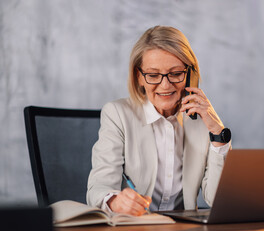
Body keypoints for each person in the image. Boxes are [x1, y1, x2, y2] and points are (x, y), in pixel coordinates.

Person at [87, 25, 231, 216]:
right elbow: (98, 189)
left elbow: (218, 199)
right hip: (134, 229)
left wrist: (217, 133)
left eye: (176, 73)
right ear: (139, 77)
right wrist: (115, 201)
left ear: (190, 75)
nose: (165, 85)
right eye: (153, 75)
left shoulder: (202, 120)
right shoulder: (117, 114)